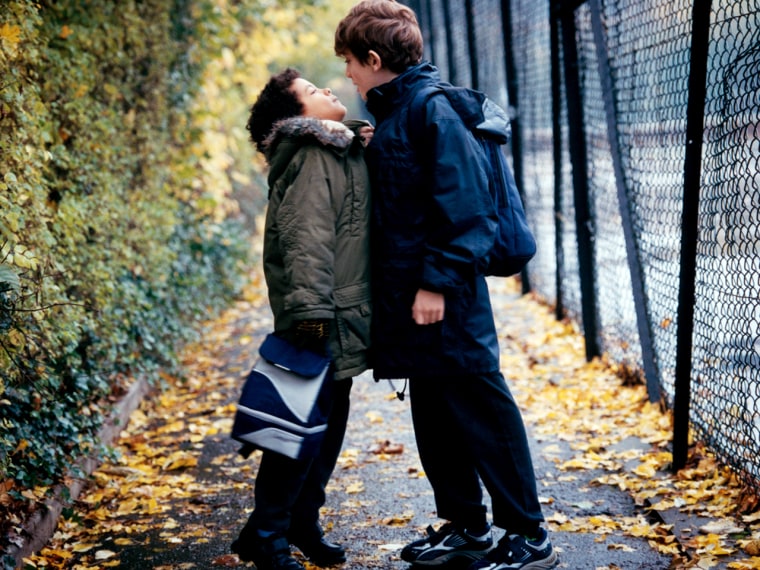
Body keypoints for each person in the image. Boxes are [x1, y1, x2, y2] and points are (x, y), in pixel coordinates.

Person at [334, 2, 558, 569]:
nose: (347, 76)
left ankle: (529, 536)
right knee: (436, 414)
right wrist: (372, 148)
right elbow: (409, 195)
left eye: (349, 64)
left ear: (374, 59)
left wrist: (435, 284)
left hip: (445, 296)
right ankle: (467, 526)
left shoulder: (430, 109)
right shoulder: (398, 112)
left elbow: (470, 212)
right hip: (412, 298)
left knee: (483, 409)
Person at [230, 68, 372, 570]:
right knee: (298, 429)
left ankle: (296, 523)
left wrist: (359, 138)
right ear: (299, 118)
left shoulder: (335, 150)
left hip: (338, 313)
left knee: (321, 428)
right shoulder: (312, 157)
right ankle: (268, 536)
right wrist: (311, 322)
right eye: (314, 92)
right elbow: (307, 243)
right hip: (318, 315)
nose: (329, 90)